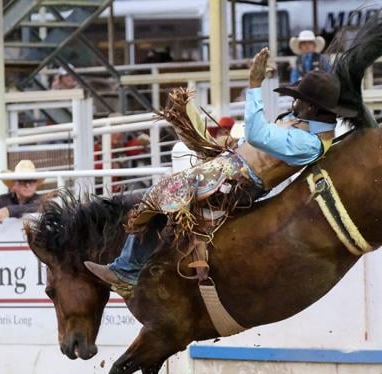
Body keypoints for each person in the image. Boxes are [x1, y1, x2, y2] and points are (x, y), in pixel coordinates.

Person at [84, 47, 356, 290]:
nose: (293, 103)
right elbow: (258, 141)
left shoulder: (307, 142)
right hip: (231, 169)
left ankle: (126, 271)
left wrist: (254, 85)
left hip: (236, 180)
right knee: (165, 193)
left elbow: (259, 134)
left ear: (309, 106)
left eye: (297, 100)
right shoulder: (305, 129)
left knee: (164, 192)